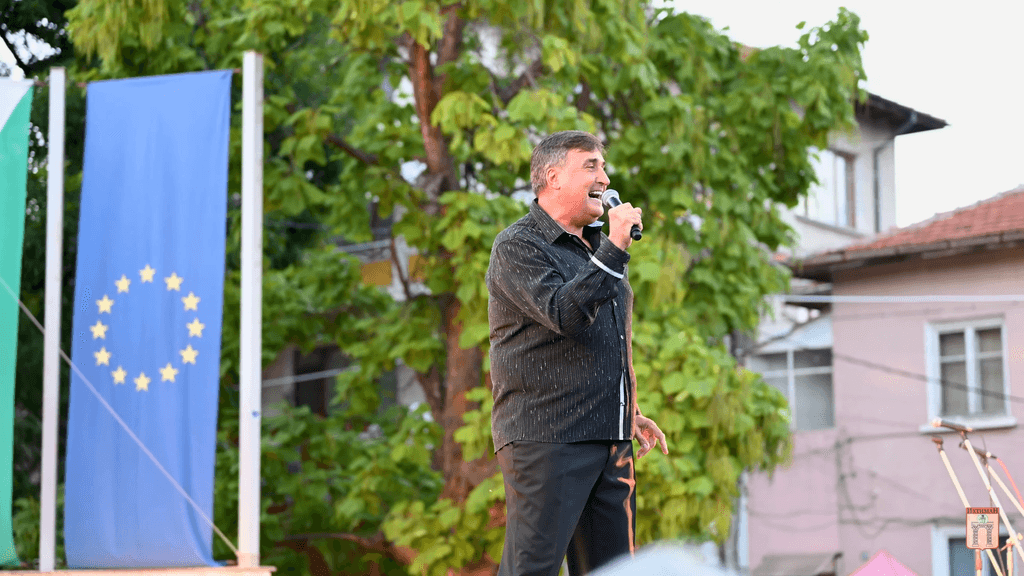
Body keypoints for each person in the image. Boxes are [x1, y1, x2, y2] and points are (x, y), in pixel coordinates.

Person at [486, 130, 669, 576]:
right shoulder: (519, 246)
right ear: (552, 177)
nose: (604, 177)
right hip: (548, 437)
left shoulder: (596, 249)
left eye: (603, 167)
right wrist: (615, 248)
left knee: (614, 571)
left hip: (610, 437)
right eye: (591, 165)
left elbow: (610, 338)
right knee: (533, 570)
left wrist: (630, 409)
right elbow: (564, 315)